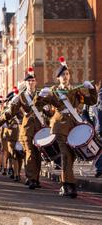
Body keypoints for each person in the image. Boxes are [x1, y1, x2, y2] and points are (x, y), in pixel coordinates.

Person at [35, 57, 97, 198]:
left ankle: (67, 184)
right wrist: (39, 96)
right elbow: (38, 106)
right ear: (58, 78)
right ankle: (68, 185)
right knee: (65, 154)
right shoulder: (54, 90)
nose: (65, 76)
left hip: (74, 125)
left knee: (72, 155)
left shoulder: (75, 91)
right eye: (63, 75)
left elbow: (92, 101)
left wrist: (91, 89)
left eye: (67, 74)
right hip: (60, 126)